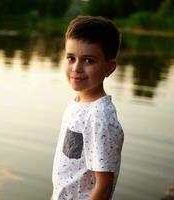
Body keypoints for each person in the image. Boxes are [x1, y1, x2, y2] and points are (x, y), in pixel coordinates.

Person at [51, 16, 124, 200]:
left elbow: (103, 186)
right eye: (71, 58)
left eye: (89, 61)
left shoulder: (100, 117)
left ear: (109, 68)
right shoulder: (77, 102)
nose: (76, 68)